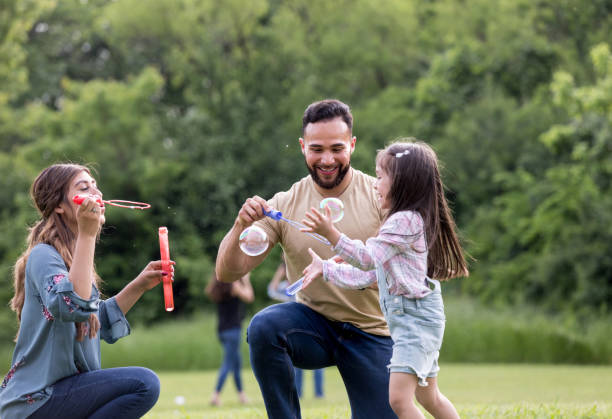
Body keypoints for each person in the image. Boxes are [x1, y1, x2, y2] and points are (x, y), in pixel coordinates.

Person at [215, 99, 396, 418]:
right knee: (264, 326)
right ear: (302, 147)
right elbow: (228, 272)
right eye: (316, 149)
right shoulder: (284, 203)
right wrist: (240, 224)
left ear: (352, 145)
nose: (327, 159)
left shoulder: (379, 197)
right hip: (314, 329)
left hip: (373, 332)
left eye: (337, 148)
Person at [300, 140, 469, 419]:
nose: (375, 184)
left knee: (400, 401)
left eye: (380, 177)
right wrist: (326, 269)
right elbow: (367, 273)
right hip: (415, 320)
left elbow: (366, 258)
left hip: (415, 321)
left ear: (402, 182)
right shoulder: (404, 221)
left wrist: (332, 235)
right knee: (430, 398)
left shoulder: (404, 221)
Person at [0, 163, 173, 419]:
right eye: (84, 187)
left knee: (142, 385)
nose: (97, 193)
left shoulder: (72, 256)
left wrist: (139, 286)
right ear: (59, 206)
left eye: (95, 186)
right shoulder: (43, 256)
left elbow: (93, 320)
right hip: (35, 401)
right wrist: (88, 235)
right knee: (143, 384)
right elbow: (74, 307)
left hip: (59, 395)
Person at [267, 262, 324, 399]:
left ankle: (319, 393)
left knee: (318, 361)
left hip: (313, 324)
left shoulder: (304, 282)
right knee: (297, 362)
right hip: (295, 326)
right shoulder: (287, 288)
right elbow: (271, 290)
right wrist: (279, 273)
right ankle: (298, 393)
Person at [205, 273, 254, 406]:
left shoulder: (218, 288)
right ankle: (215, 395)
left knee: (236, 363)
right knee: (228, 363)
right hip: (233, 330)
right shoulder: (234, 286)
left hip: (222, 331)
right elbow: (249, 297)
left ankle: (242, 395)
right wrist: (246, 280)